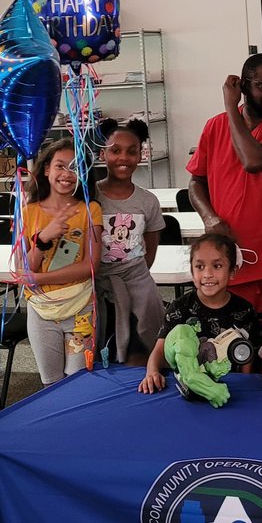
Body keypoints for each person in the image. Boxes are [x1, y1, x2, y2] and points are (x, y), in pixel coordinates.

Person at [187, 53, 262, 318]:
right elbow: (196, 181)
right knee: (235, 346)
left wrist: (231, 107)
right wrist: (209, 218)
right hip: (234, 263)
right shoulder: (214, 126)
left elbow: (252, 160)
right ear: (243, 87)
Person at [21, 139, 102, 386]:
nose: (68, 174)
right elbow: (26, 268)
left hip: (81, 307)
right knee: (50, 383)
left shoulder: (90, 209)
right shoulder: (28, 211)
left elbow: (90, 267)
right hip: (41, 310)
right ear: (46, 169)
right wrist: (44, 237)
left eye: (75, 167)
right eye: (60, 166)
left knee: (78, 382)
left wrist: (39, 279)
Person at [138, 234, 259, 394]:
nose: (207, 274)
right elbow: (160, 349)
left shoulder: (244, 310)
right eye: (200, 267)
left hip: (231, 389)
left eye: (217, 266)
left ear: (232, 271)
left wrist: (245, 387)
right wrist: (152, 372)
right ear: (191, 270)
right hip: (187, 385)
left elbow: (247, 357)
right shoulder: (179, 307)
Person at [96, 118, 165, 363]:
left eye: (132, 151)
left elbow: (151, 250)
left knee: (140, 354)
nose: (123, 158)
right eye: (115, 151)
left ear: (140, 155)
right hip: (97, 288)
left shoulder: (148, 202)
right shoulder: (89, 196)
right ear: (103, 154)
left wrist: (134, 276)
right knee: (100, 355)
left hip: (138, 288)